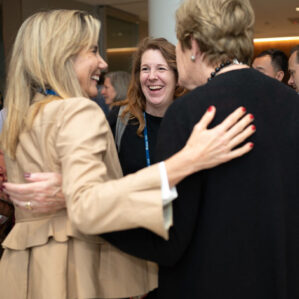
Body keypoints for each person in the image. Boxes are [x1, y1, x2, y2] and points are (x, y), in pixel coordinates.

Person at [0, 9, 255, 299]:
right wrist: (188, 160)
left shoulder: (23, 116)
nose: (103, 62)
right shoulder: (80, 111)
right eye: (93, 51)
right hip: (71, 269)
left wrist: (67, 191)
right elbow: (85, 205)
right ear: (63, 55)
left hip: (25, 272)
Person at [100, 0, 299, 298]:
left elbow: (168, 239)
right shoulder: (291, 104)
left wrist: (93, 215)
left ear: (192, 45)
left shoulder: (189, 113)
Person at [108, 37, 186, 175]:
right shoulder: (120, 119)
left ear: (177, 77)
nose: (151, 76)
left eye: (161, 68)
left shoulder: (190, 121)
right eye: (145, 69)